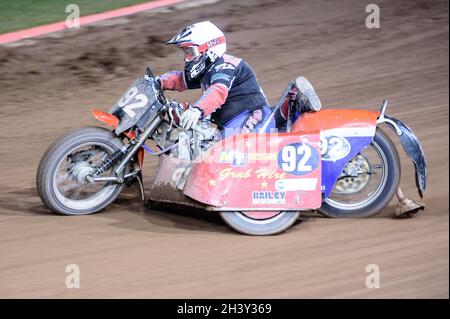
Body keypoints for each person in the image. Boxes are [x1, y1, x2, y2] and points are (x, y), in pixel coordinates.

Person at [156, 21, 275, 137]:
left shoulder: (226, 64)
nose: (187, 59)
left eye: (190, 51)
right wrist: (157, 82)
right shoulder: (207, 69)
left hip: (254, 119)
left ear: (209, 49)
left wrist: (196, 110)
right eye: (185, 52)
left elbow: (218, 91)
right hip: (230, 125)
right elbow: (181, 79)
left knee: (228, 152)